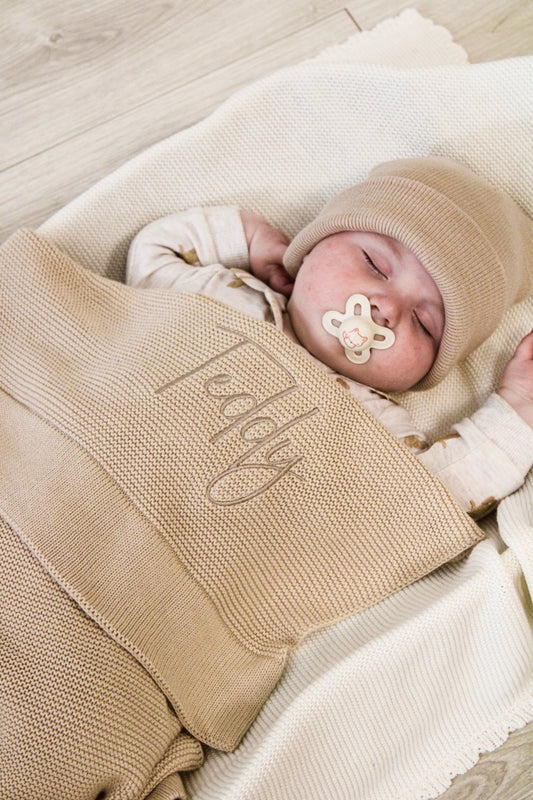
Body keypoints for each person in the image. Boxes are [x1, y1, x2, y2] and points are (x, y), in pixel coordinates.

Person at [126, 156, 533, 519]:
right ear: (312, 246)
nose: (386, 309)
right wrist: (250, 238)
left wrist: (516, 408)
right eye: (374, 264)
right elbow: (154, 252)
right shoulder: (224, 294)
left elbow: (430, 502)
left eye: (424, 323)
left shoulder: (376, 427)